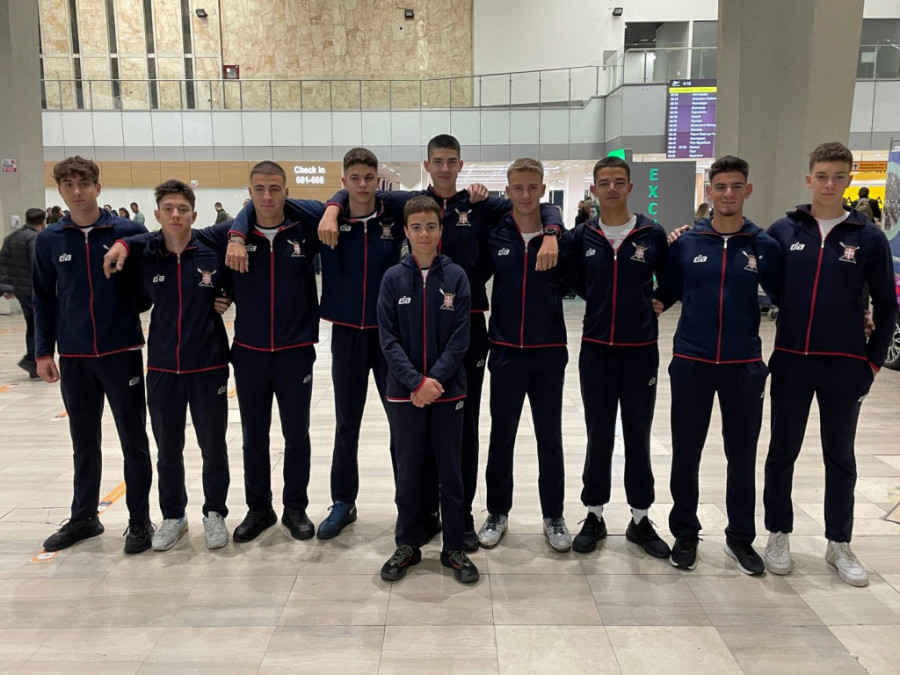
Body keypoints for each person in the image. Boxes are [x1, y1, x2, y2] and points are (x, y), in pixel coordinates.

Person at [318, 133, 563, 551]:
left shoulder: (480, 204)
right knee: (413, 427)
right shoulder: (408, 202)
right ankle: (417, 510)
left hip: (467, 327)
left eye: (452, 161)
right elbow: (359, 189)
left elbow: (536, 203)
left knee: (462, 428)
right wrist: (332, 206)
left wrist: (553, 229)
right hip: (416, 328)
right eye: (438, 161)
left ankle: (460, 513)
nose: (445, 168)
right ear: (427, 165)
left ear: (461, 165)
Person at [108, 161, 324, 545]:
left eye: (275, 188)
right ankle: (259, 508)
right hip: (250, 352)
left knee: (296, 435)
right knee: (253, 437)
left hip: (295, 350)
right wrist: (124, 243)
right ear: (249, 193)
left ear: (286, 192)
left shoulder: (303, 228)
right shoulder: (224, 235)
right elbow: (167, 235)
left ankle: (295, 507)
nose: (267, 196)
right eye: (259, 189)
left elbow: (330, 206)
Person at [763, 142, 897, 587]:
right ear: (809, 179)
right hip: (791, 361)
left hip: (845, 365)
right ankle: (778, 533)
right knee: (782, 452)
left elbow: (887, 303)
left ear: (850, 180)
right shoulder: (784, 231)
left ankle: (839, 541)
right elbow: (771, 284)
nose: (829, 184)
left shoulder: (868, 237)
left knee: (840, 456)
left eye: (839, 176)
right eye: (821, 176)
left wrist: (872, 363)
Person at [656, 155, 782, 574]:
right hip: (691, 360)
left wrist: (856, 317)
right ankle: (685, 533)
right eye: (721, 186)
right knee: (686, 451)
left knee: (741, 455)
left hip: (743, 364)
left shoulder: (763, 246)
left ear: (748, 190)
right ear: (709, 192)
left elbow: (790, 297)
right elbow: (665, 293)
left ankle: (740, 537)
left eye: (736, 186)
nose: (728, 194)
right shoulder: (687, 243)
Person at [33, 156, 154, 554]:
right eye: (68, 185)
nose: (77, 191)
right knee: (83, 441)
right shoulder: (50, 240)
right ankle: (84, 516)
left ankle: (139, 520)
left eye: (84, 183)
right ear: (59, 191)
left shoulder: (127, 231)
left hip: (121, 352)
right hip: (74, 356)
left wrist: (125, 308)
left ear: (98, 187)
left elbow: (148, 276)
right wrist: (43, 351)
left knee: (133, 440)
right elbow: (43, 299)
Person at [107, 180, 232, 551]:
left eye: (182, 209)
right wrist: (123, 243)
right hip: (162, 368)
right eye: (168, 209)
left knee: (213, 446)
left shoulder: (212, 250)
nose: (176, 215)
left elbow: (236, 280)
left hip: (208, 366)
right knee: (167, 449)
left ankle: (215, 513)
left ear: (194, 214)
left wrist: (227, 296)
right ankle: (174, 516)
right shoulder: (146, 254)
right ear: (157, 214)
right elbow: (137, 294)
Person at [565, 156, 671, 558]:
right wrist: (597, 302)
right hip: (596, 350)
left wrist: (660, 300)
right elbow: (572, 277)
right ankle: (594, 514)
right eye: (604, 182)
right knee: (599, 434)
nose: (612, 188)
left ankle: (641, 519)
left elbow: (672, 276)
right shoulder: (583, 235)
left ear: (630, 187)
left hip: (640, 351)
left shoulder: (651, 233)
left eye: (619, 181)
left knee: (638, 434)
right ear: (594, 189)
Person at [376, 195, 478, 584]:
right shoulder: (392, 278)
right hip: (405, 393)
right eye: (416, 227)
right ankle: (407, 542)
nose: (423, 234)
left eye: (431, 226)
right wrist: (415, 382)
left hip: (448, 391)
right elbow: (388, 339)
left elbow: (460, 339)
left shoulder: (456, 276)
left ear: (440, 230)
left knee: (450, 471)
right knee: (409, 470)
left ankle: (453, 547)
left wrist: (433, 380)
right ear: (405, 231)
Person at [477, 158, 575, 552]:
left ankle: (554, 515)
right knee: (501, 436)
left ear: (542, 190)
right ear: (508, 190)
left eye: (532, 187)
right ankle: (497, 511)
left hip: (549, 350)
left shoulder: (559, 238)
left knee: (549, 437)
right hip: (505, 351)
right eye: (517, 188)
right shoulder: (496, 234)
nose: (525, 194)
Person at [0, 208, 46, 378]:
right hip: (33, 289)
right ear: (43, 221)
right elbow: (36, 264)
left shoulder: (11, 237)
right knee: (39, 326)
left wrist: (6, 288)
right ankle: (32, 359)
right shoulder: (35, 238)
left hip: (20, 290)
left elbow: (3, 263)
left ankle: (33, 360)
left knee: (32, 325)